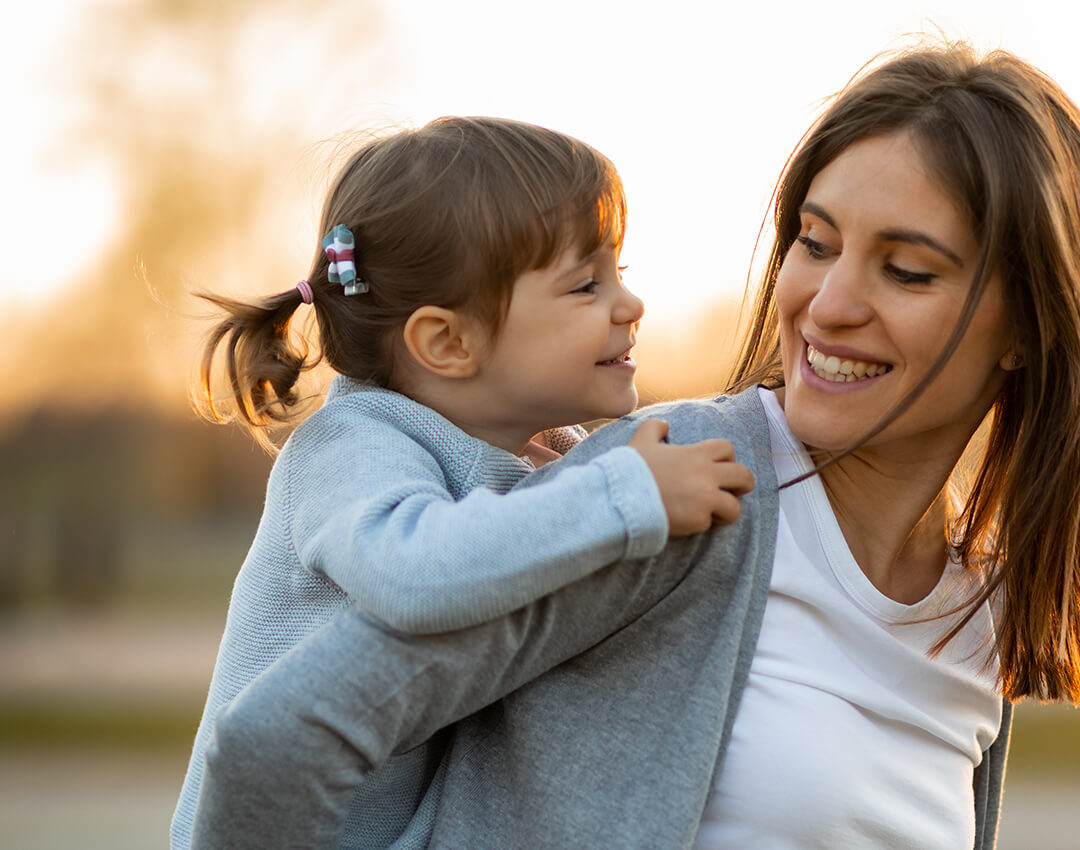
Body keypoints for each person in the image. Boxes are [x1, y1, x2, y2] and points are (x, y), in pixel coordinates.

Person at [189, 41, 1080, 850]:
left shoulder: (980, 606)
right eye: (814, 242)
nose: (829, 303)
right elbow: (278, 742)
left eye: (907, 270)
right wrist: (616, 495)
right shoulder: (673, 483)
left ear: (1030, 327)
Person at [170, 117, 755, 848]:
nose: (629, 307)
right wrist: (626, 493)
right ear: (448, 342)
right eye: (585, 285)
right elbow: (418, 574)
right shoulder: (353, 445)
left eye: (620, 275)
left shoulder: (543, 449)